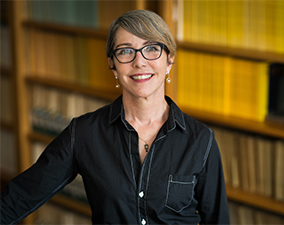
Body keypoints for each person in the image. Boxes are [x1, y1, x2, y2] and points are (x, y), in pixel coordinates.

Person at [1, 10, 230, 224]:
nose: (139, 61)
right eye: (125, 51)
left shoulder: (201, 140)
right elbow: (19, 197)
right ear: (112, 64)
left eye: (151, 48)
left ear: (169, 60)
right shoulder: (83, 133)